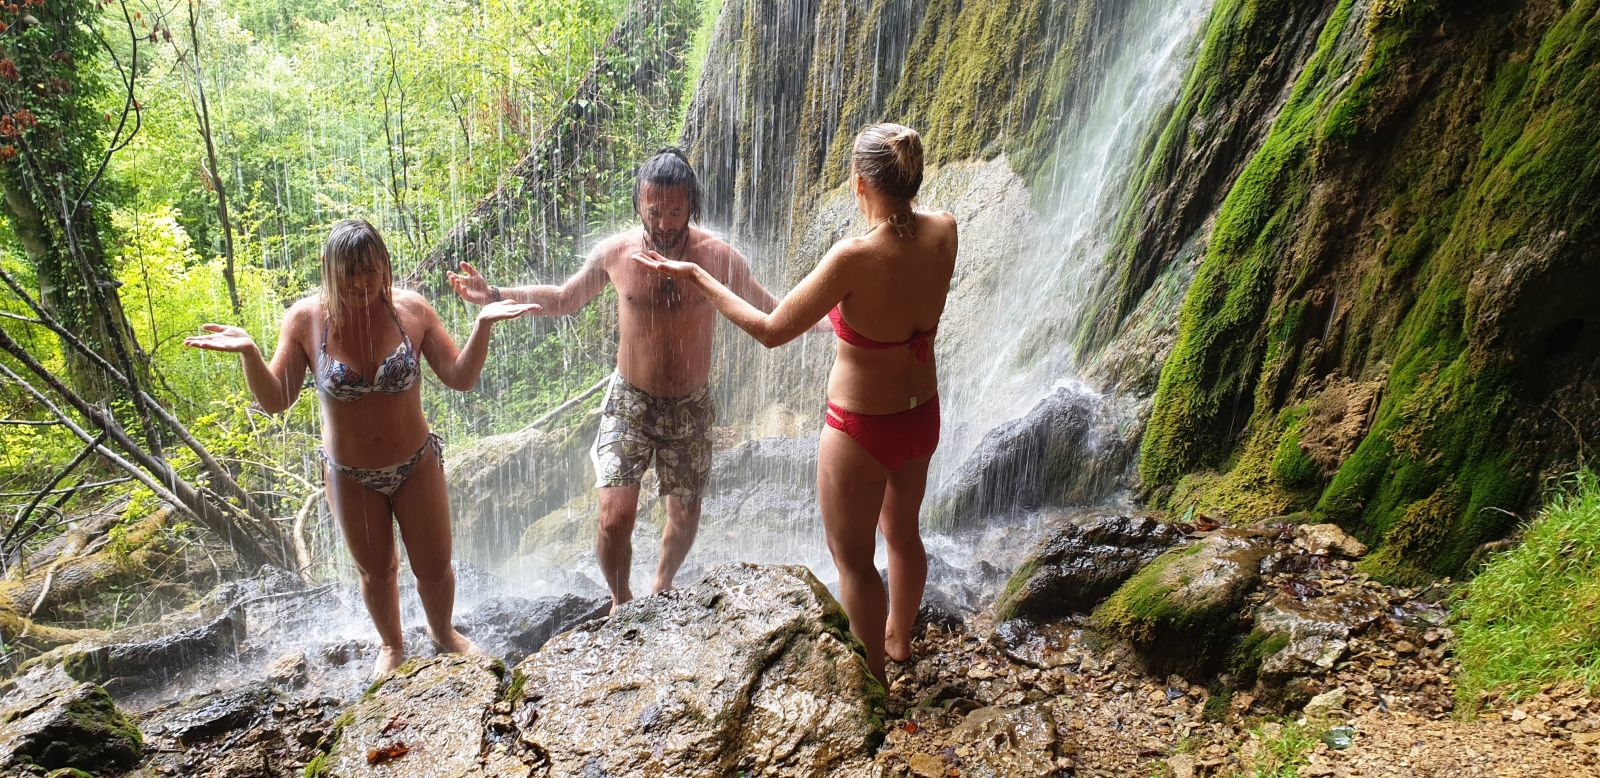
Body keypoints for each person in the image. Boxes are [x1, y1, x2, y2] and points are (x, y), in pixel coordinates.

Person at [632, 123, 956, 682]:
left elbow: (771, 328)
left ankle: (874, 683)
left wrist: (697, 276)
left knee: (853, 559)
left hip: (861, 429)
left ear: (861, 185)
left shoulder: (853, 257)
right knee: (904, 533)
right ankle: (899, 641)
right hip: (920, 414)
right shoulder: (945, 230)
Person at [185, 219, 537, 678]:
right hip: (350, 474)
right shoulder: (305, 320)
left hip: (416, 463)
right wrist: (251, 353)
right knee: (377, 572)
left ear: (385, 267)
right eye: (348, 272)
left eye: (370, 270)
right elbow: (276, 401)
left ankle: (443, 632)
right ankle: (392, 645)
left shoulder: (412, 311)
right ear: (327, 270)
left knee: (434, 565)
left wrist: (482, 326)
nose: (360, 283)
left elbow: (460, 377)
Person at [446, 148, 781, 613]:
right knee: (612, 517)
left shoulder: (717, 258)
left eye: (676, 212)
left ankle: (662, 584)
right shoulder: (616, 254)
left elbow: (770, 308)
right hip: (630, 401)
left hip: (690, 403)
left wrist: (830, 318)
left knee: (684, 514)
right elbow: (564, 298)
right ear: (639, 206)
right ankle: (621, 599)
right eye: (655, 211)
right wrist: (497, 293)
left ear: (692, 208)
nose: (664, 223)